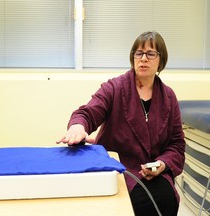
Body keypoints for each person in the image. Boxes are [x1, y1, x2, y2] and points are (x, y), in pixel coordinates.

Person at [56, 31, 185, 216]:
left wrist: (162, 164)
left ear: (160, 60)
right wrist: (78, 126)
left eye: (150, 53)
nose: (143, 59)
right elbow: (88, 112)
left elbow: (176, 144)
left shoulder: (169, 96)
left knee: (166, 198)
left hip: (156, 169)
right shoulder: (115, 88)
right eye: (138, 53)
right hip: (121, 168)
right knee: (139, 203)